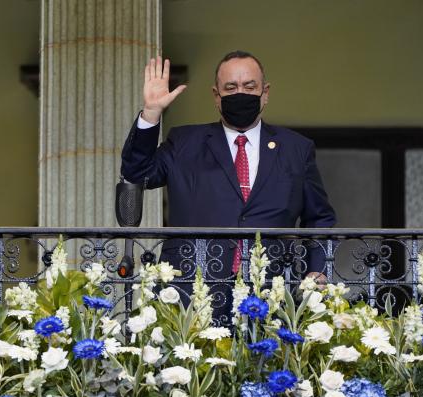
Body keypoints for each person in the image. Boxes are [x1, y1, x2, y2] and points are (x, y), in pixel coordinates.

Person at [120, 51, 336, 324]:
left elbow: (320, 218)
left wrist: (317, 272)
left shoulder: (296, 148)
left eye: (249, 87)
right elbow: (137, 173)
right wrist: (151, 114)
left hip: (272, 293)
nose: (240, 93)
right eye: (231, 88)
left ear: (265, 92)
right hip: (192, 290)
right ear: (216, 95)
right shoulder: (185, 142)